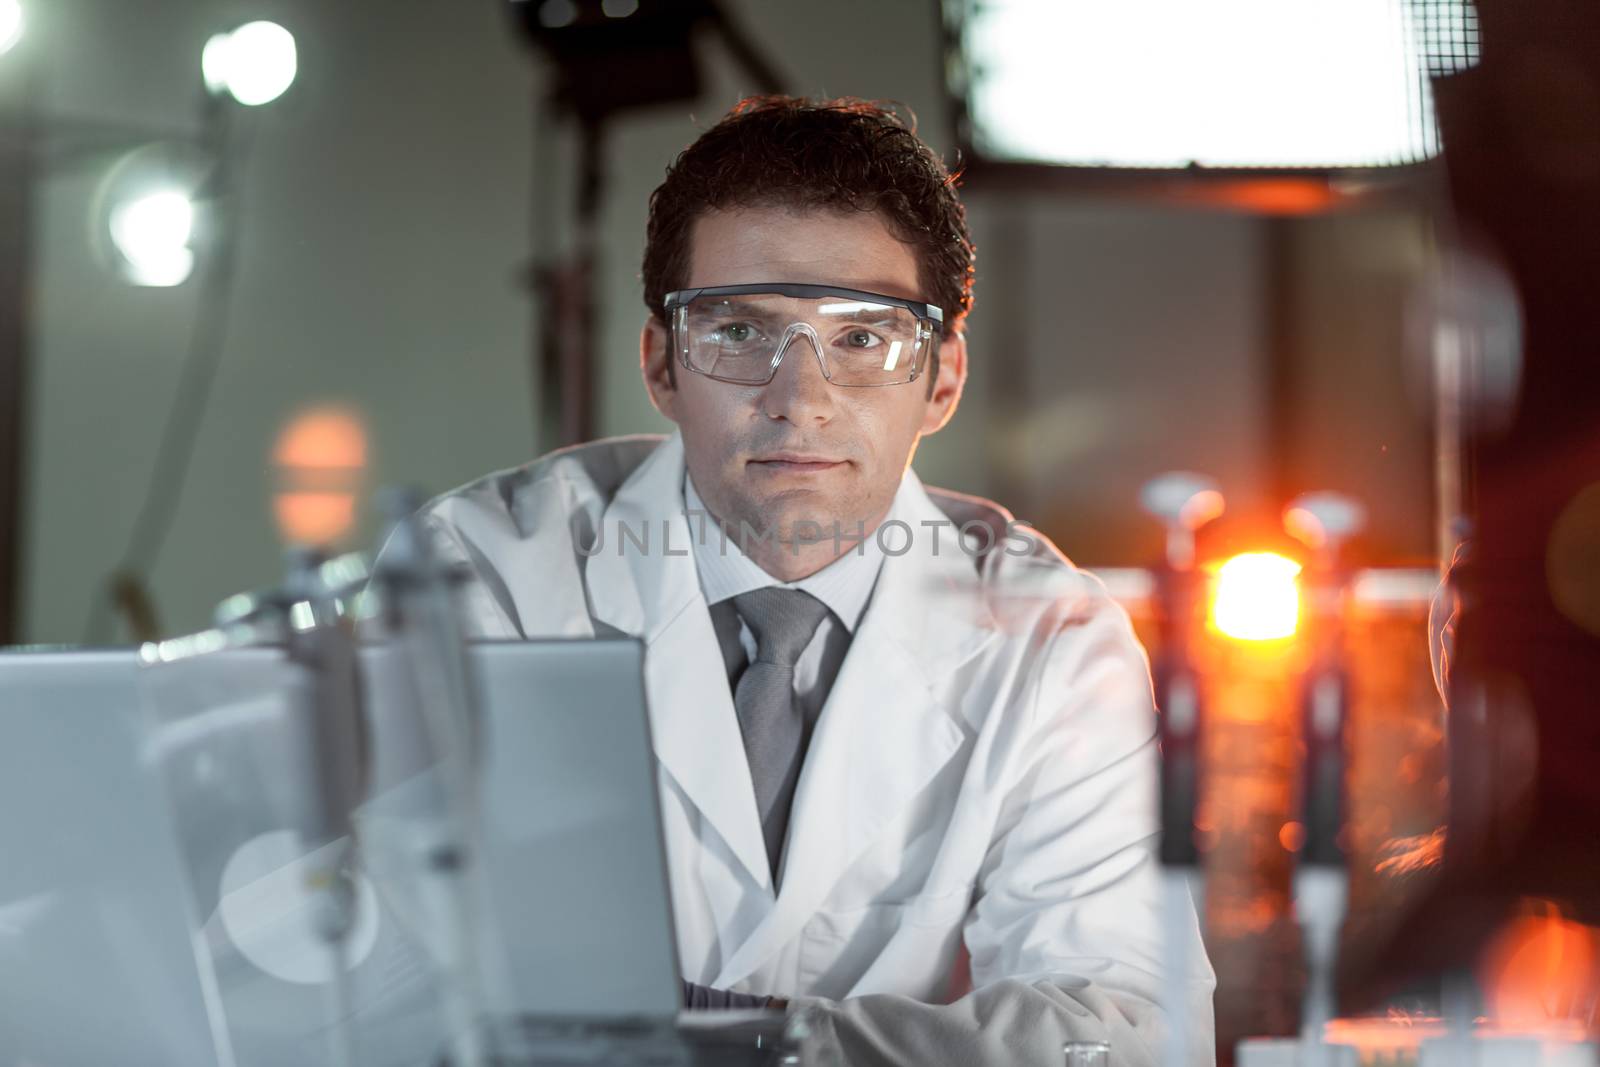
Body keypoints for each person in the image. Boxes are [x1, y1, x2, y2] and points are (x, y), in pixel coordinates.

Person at [410, 96, 1214, 1065]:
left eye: (863, 337)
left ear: (943, 378)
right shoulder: (482, 575)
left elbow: (1128, 1030)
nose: (799, 399)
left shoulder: (1051, 642)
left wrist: (736, 1043)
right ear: (662, 363)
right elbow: (386, 978)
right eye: (740, 332)